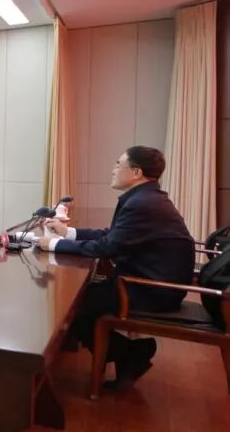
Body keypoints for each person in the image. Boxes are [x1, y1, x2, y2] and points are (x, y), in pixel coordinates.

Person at [36, 146, 195, 390]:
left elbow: (107, 247)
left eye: (118, 164)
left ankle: (132, 354)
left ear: (136, 172)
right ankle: (128, 352)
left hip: (153, 290)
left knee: (72, 304)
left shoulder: (142, 203)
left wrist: (55, 244)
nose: (113, 170)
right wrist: (67, 232)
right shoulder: (146, 198)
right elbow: (112, 236)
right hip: (153, 282)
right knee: (82, 296)